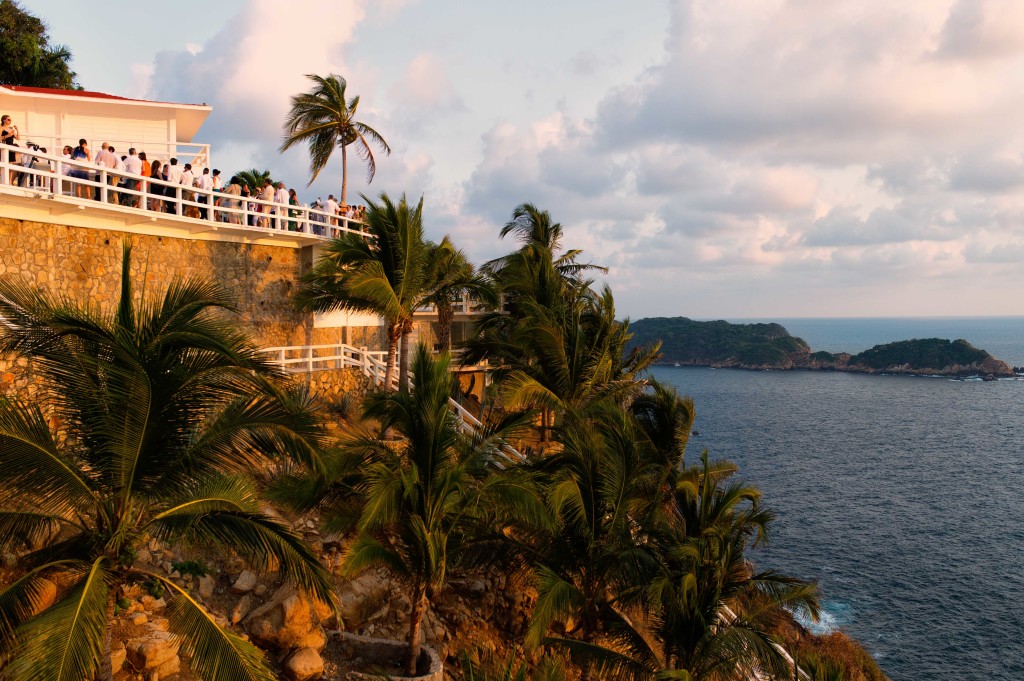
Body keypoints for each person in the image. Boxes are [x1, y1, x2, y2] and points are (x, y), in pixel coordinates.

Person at [1, 114, 20, 184]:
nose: (10, 121)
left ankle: (9, 181)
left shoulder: (11, 129)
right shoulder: (1, 128)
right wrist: (8, 135)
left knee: (10, 164)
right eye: (8, 119)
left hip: (11, 146)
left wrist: (17, 129)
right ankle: (2, 180)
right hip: (5, 146)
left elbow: (18, 138)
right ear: (4, 120)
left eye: (10, 119)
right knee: (3, 163)